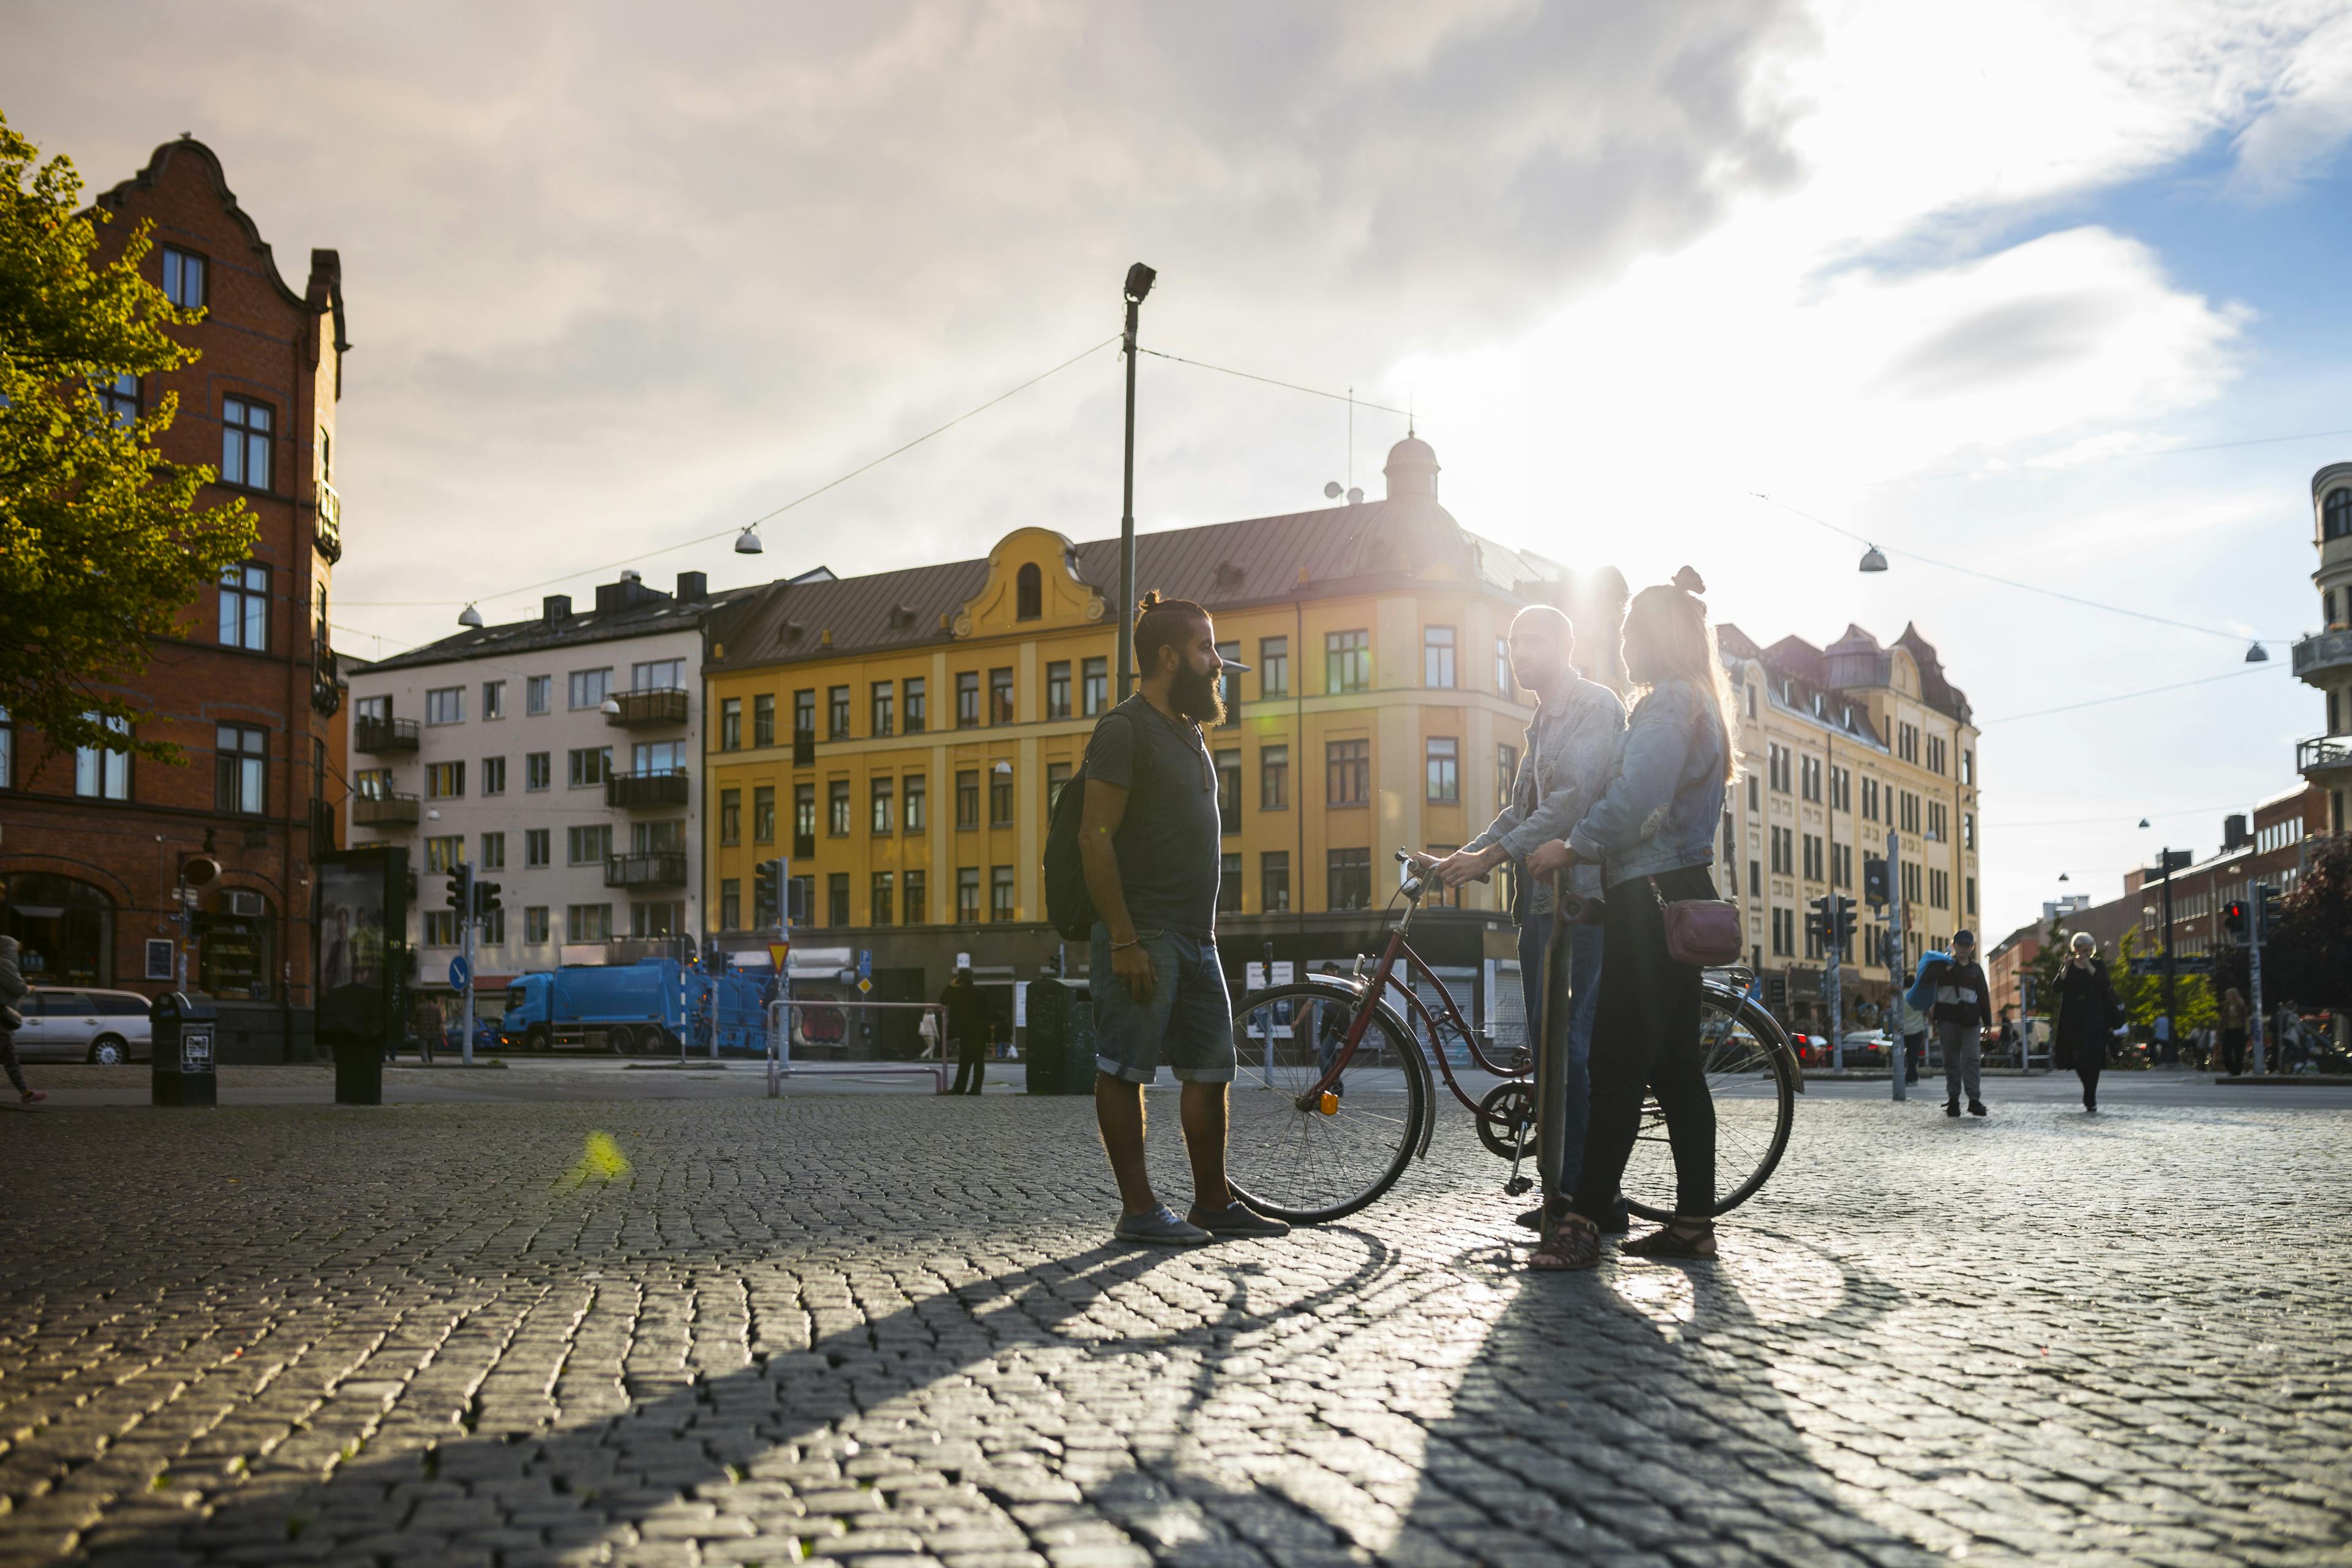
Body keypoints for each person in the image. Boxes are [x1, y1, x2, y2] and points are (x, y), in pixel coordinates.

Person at [1522, 567, 1735, 1269]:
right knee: (1674, 1069)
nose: (1621, 644)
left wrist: (1573, 844)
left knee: (1615, 1062)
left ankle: (1582, 1222)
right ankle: (1693, 1224)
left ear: (1653, 635)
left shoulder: (1670, 702)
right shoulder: (1695, 699)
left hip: (1649, 898)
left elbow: (1639, 794)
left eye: (1627, 632)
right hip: (1683, 888)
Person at [1080, 592, 1287, 1245]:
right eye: (1206, 648)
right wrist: (1123, 939)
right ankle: (1139, 1211)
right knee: (1125, 1066)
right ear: (1169, 657)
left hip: (1198, 938)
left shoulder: (1191, 730)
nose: (1218, 662)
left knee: (1211, 1069)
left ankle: (1212, 1203)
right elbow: (1094, 837)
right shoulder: (1126, 728)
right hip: (1144, 934)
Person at [1417, 604, 1627, 1232]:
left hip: (1581, 901)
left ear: (1566, 644)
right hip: (1540, 903)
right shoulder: (1542, 722)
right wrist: (1469, 855)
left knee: (1570, 1048)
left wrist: (1491, 854)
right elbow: (1518, 813)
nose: (1520, 653)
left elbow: (1572, 803)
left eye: (1533, 641)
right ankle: (1562, 1189)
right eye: (1513, 643)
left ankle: (1588, 1199)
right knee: (1548, 1049)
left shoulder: (1593, 706)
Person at [1921, 929, 1994, 1117]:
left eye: (1967, 945)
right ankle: (1954, 1100)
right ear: (1954, 946)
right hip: (1947, 1019)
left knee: (1972, 1059)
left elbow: (1984, 997)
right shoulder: (1943, 964)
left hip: (1970, 1021)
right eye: (1960, 945)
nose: (1963, 948)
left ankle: (1974, 1100)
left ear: (1972, 948)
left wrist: (1988, 1023)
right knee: (1951, 1061)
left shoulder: (1976, 969)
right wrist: (1943, 969)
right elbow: (1926, 979)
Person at [2051, 931, 2120, 1111]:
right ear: (2075, 949)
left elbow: (2105, 984)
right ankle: (2088, 1090)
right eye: (2083, 950)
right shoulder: (2069, 966)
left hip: (2096, 1018)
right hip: (2073, 1019)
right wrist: (2065, 968)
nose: (2086, 953)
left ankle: (2091, 1096)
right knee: (2079, 1058)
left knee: (2095, 1059)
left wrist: (2089, 965)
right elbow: (2057, 987)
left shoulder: (2097, 964)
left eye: (2089, 950)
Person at [0, 935, 47, 1105]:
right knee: (11, 1059)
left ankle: (26, 1094)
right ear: (8, 949)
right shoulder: (4, 964)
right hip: (1, 1023)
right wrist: (29, 988)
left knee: (12, 1060)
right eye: (14, 950)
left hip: (4, 1024)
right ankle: (26, 1093)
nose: (16, 954)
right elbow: (18, 988)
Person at [941, 967, 990, 1094]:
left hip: (966, 1031)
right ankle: (976, 1089)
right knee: (979, 1061)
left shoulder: (957, 993)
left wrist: (951, 986)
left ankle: (960, 1088)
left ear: (959, 978)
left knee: (964, 1061)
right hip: (981, 1031)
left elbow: (943, 1000)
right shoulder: (981, 993)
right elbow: (988, 1011)